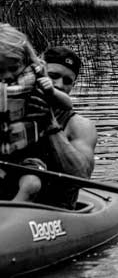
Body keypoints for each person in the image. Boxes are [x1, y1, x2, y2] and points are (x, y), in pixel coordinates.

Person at [0, 29, 95, 209]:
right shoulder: (9, 103)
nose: (59, 85)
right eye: (53, 76)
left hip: (53, 211)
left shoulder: (80, 126)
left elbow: (81, 178)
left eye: (68, 81)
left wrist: (49, 123)